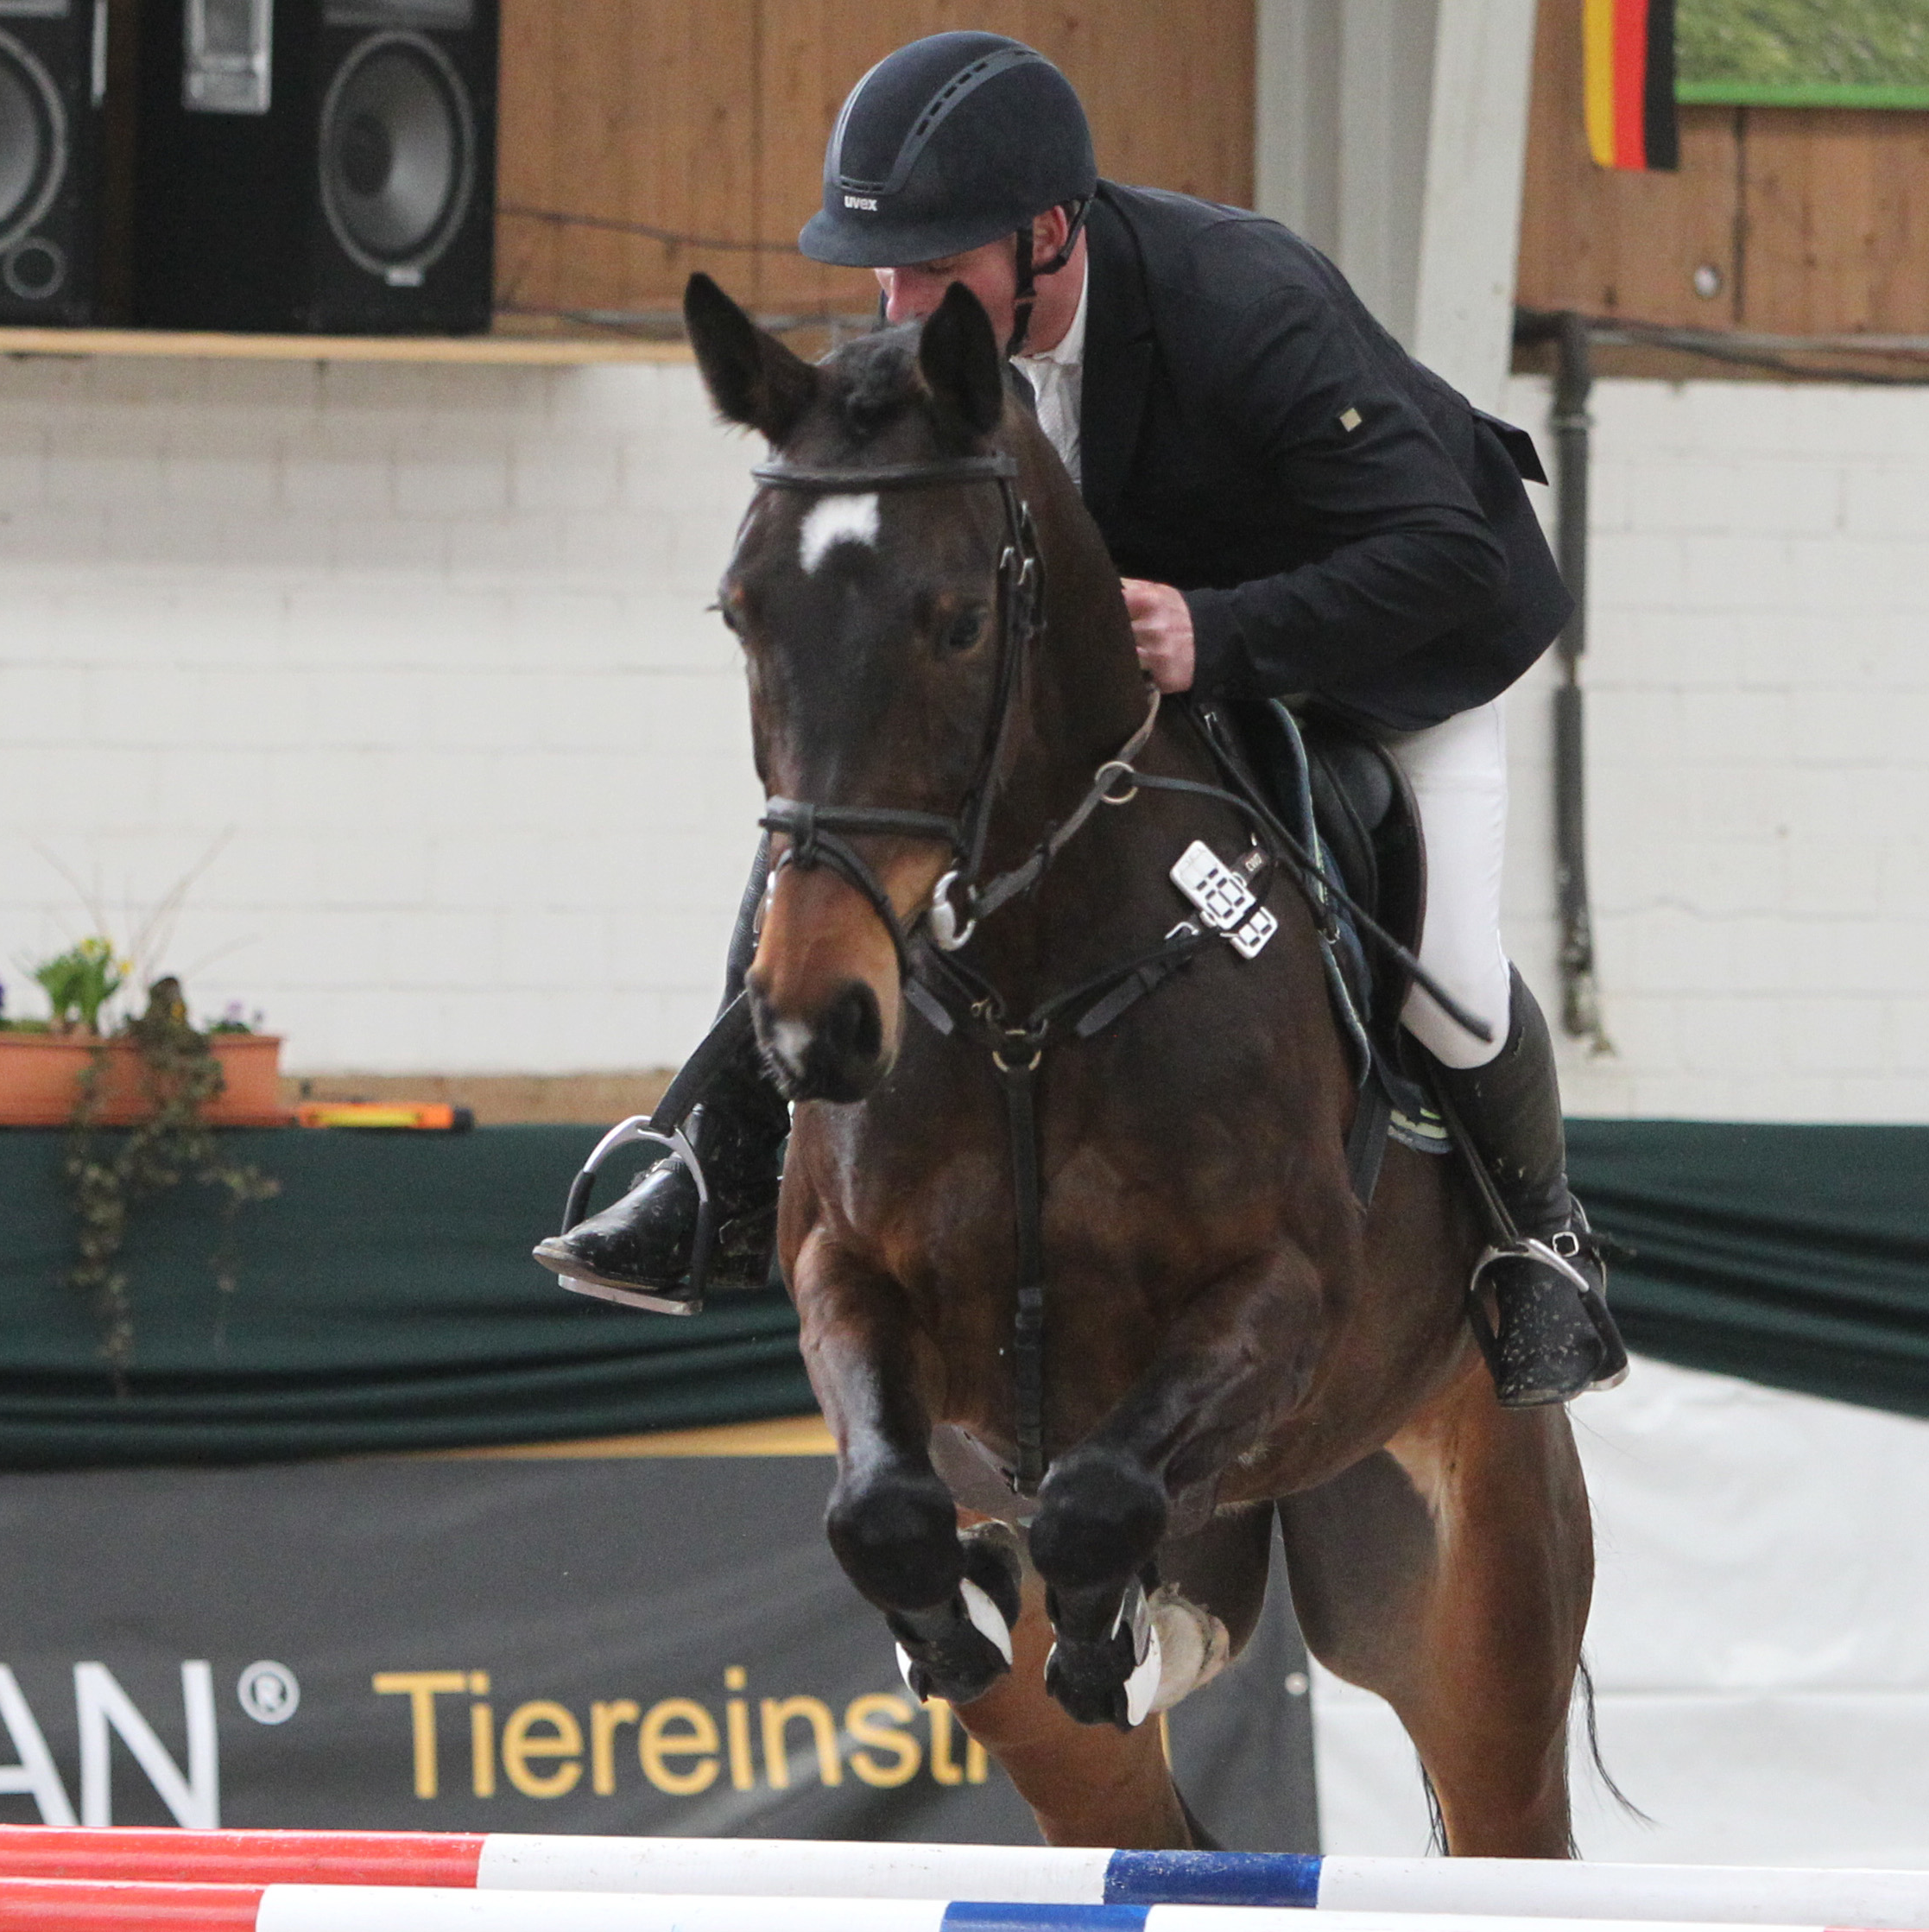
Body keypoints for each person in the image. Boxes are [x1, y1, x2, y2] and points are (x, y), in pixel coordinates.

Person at [535, 29, 1624, 1409]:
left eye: (938, 268)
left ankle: (1541, 1240)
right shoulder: (934, 359)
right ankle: (712, 1156)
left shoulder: (1248, 302)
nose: (902, 299)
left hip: (1388, 645)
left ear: (1047, 238)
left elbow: (1448, 553)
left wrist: (1220, 634)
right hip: (1151, 662)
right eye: (888, 269)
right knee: (838, 818)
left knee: (1450, 978)